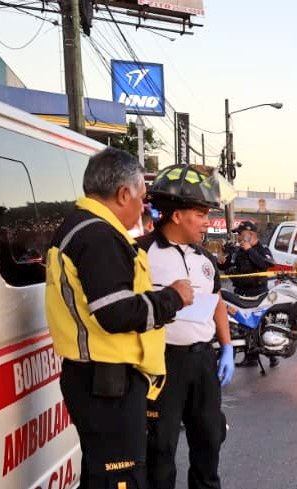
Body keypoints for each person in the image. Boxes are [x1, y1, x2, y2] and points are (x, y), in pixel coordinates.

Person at [45, 148, 193, 489]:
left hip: (101, 378)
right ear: (123, 193)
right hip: (106, 381)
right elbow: (115, 312)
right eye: (141, 198)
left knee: (106, 473)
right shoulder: (98, 237)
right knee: (119, 477)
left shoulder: (82, 228)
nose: (144, 207)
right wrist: (173, 297)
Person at [140, 165, 235, 489]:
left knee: (210, 441)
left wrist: (226, 347)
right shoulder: (140, 253)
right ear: (177, 215)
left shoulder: (204, 259)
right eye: (201, 213)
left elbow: (217, 301)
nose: (207, 222)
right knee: (160, 450)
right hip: (161, 365)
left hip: (202, 361)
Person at [217, 220, 276, 367]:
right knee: (244, 326)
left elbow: (265, 264)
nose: (238, 237)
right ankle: (250, 357)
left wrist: (250, 250)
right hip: (241, 293)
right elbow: (226, 265)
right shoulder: (238, 251)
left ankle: (272, 354)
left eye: (240, 234)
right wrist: (221, 261)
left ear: (250, 235)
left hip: (258, 293)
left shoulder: (262, 249)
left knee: (263, 324)